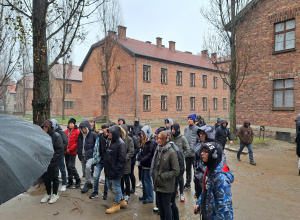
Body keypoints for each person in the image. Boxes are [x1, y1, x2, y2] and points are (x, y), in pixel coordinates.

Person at [194, 142, 234, 220]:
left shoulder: (221, 177)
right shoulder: (208, 168)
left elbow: (224, 206)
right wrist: (199, 203)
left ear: (213, 155)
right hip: (208, 214)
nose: (202, 153)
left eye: (206, 151)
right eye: (202, 150)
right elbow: (205, 190)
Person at [151, 131, 180, 220]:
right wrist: (155, 175)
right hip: (158, 183)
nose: (158, 140)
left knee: (167, 207)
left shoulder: (171, 152)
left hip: (167, 185)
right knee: (161, 208)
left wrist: (162, 176)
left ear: (166, 139)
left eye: (160, 138)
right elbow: (155, 165)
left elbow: (176, 171)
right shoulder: (158, 150)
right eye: (157, 138)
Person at [104, 125, 127, 214]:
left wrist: (116, 171)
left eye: (110, 132)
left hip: (115, 171)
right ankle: (121, 200)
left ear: (115, 133)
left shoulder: (121, 144)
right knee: (110, 186)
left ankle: (117, 204)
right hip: (109, 169)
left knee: (116, 187)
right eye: (108, 132)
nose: (108, 133)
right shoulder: (109, 141)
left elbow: (122, 160)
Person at [40, 120, 64, 204]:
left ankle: (55, 194)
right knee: (46, 179)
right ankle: (48, 193)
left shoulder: (56, 136)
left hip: (53, 162)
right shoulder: (42, 136)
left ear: (50, 128)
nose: (44, 129)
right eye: (43, 127)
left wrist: (51, 159)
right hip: (44, 163)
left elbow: (59, 151)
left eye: (46, 127)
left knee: (54, 178)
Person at [194, 125, 215, 199]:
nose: (201, 135)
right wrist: (195, 178)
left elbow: (220, 165)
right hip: (198, 179)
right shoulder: (198, 145)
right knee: (199, 201)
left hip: (208, 180)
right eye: (200, 133)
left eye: (203, 133)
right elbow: (195, 163)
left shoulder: (215, 148)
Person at [89, 123, 109, 199]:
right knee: (96, 176)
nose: (105, 130)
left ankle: (105, 192)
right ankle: (95, 191)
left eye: (106, 128)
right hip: (100, 160)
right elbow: (96, 148)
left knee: (107, 178)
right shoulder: (99, 137)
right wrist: (95, 158)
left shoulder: (110, 137)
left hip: (107, 161)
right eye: (103, 128)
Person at [171, 123, 190, 202]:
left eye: (174, 129)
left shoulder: (182, 138)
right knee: (174, 177)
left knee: (180, 178)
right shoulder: (171, 138)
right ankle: (176, 192)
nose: (172, 131)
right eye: (171, 129)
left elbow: (187, 149)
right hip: (172, 162)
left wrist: (182, 157)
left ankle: (182, 193)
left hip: (180, 163)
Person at [137, 125, 157, 204]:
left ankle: (150, 197)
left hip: (148, 165)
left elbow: (149, 155)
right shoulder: (145, 142)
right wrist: (138, 159)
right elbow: (142, 152)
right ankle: (145, 195)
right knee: (144, 181)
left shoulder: (152, 142)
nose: (142, 135)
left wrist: (141, 161)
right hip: (143, 165)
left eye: (143, 133)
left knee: (147, 181)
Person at [77, 120, 97, 193]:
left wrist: (93, 154)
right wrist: (78, 153)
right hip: (82, 155)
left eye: (84, 128)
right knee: (84, 171)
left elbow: (96, 146)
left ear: (87, 127)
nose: (83, 129)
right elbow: (79, 145)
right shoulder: (80, 135)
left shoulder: (93, 135)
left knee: (88, 167)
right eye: (81, 128)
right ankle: (89, 183)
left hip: (90, 156)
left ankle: (87, 183)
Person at [51, 119, 68, 192]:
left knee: (62, 169)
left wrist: (60, 148)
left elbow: (65, 142)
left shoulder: (61, 132)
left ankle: (64, 184)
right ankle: (55, 182)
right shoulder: (51, 133)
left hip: (60, 154)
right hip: (53, 154)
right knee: (54, 169)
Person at [64, 118, 81, 189]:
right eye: (69, 124)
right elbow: (64, 140)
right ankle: (70, 180)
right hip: (66, 152)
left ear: (74, 124)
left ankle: (77, 179)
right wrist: (65, 149)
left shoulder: (77, 132)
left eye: (72, 124)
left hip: (72, 152)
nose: (70, 125)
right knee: (68, 166)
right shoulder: (65, 132)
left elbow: (77, 143)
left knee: (71, 166)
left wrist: (70, 149)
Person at [120, 125, 134, 204]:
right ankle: (121, 193)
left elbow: (131, 151)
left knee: (126, 179)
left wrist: (124, 158)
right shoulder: (119, 139)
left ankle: (127, 194)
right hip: (120, 164)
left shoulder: (129, 139)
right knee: (121, 179)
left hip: (126, 163)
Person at [183, 114, 198, 190]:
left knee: (196, 171)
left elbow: (199, 141)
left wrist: (195, 149)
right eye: (188, 119)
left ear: (194, 120)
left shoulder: (197, 129)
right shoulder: (185, 129)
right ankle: (188, 184)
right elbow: (184, 140)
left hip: (194, 154)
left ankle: (197, 188)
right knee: (188, 170)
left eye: (191, 119)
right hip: (187, 154)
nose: (189, 120)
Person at [128, 125, 140, 194]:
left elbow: (137, 148)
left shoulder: (134, 138)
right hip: (128, 158)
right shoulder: (127, 137)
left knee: (131, 173)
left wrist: (132, 154)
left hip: (132, 159)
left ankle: (133, 188)